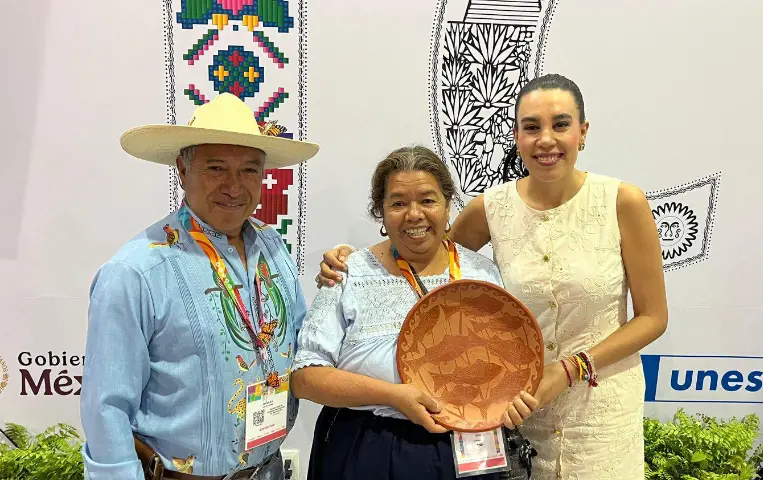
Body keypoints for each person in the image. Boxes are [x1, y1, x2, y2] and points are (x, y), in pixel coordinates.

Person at [315, 74, 669, 480]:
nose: (546, 139)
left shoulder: (622, 201)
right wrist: (353, 260)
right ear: (516, 136)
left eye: (561, 124)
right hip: (517, 409)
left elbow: (653, 317)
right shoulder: (491, 208)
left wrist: (569, 369)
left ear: (583, 132)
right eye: (531, 127)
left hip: (599, 408)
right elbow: (424, 248)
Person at [80, 93, 319, 480]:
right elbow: (106, 409)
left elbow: (304, 341)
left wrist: (345, 278)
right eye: (216, 168)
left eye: (249, 170)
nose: (234, 186)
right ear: (182, 169)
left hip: (270, 470)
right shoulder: (136, 272)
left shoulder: (273, 246)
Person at [291, 146, 526, 480]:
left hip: (469, 447)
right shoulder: (348, 273)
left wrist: (514, 397)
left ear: (448, 205)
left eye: (428, 200)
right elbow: (305, 378)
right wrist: (393, 396)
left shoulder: (483, 273)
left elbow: (509, 361)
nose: (414, 214)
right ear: (381, 212)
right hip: (367, 447)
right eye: (398, 203)